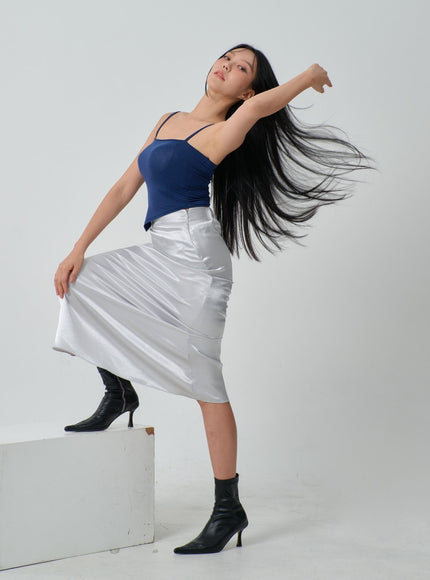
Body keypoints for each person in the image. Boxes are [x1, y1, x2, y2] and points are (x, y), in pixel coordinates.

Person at [53, 43, 375, 555]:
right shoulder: (167, 120)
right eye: (226, 57)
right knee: (84, 281)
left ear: (246, 90)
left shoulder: (231, 126)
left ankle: (228, 509)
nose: (227, 65)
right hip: (162, 248)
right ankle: (119, 392)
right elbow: (123, 188)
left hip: (198, 260)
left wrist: (308, 75)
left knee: (206, 381)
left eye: (242, 68)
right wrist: (78, 248)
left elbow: (263, 106)